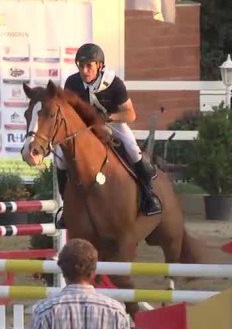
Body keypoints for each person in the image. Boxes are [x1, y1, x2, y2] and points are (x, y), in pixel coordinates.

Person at [55, 42, 162, 227]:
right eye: (81, 66)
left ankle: (148, 196)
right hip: (84, 127)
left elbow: (130, 114)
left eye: (89, 65)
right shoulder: (72, 83)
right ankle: (66, 207)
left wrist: (107, 118)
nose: (84, 70)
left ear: (100, 66)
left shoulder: (114, 84)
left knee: (133, 149)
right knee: (59, 159)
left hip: (112, 123)